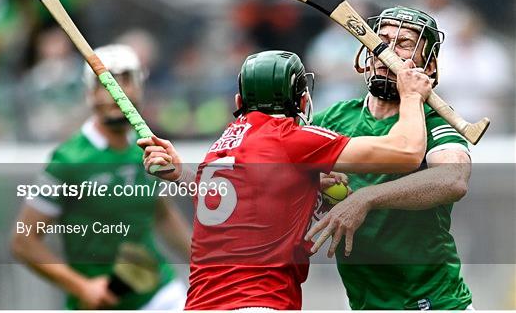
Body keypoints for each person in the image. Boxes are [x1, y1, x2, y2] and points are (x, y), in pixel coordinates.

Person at [139, 49, 432, 310]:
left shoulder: (220, 148)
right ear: (302, 99)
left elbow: (233, 204)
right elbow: (406, 152)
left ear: (239, 100)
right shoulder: (290, 138)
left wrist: (180, 173)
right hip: (258, 301)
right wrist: (411, 95)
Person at [307, 6, 473, 310]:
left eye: (405, 44)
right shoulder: (332, 119)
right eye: (381, 40)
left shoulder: (433, 121)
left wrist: (367, 198)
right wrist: (309, 180)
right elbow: (277, 165)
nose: (387, 52)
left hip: (435, 303)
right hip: (363, 304)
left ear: (430, 66)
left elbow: (453, 179)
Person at [11, 44, 191, 310]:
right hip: (98, 303)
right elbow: (23, 241)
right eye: (104, 83)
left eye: (126, 80)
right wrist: (81, 286)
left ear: (140, 87)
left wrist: (205, 264)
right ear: (89, 93)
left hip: (158, 293)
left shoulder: (146, 148)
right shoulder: (68, 161)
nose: (114, 93)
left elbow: (161, 214)